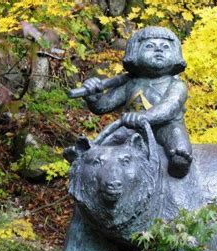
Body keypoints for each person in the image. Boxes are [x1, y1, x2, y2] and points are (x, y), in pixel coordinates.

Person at [82, 26, 192, 178]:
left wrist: (146, 116)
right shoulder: (130, 84)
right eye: (150, 46)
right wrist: (93, 97)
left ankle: (179, 165)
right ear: (135, 51)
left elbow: (169, 107)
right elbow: (103, 106)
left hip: (165, 127)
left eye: (165, 47)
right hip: (131, 128)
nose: (159, 50)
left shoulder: (176, 85)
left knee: (178, 141)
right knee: (105, 143)